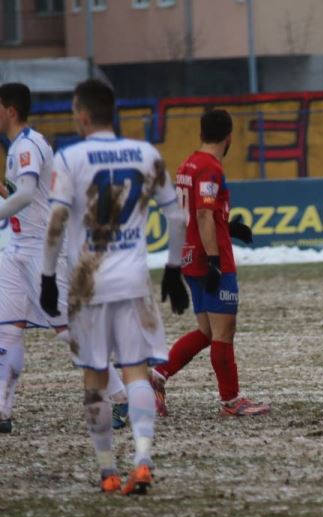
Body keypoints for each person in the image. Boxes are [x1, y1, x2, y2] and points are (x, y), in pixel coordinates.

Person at [41, 78, 190, 494]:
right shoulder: (146, 154)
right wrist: (173, 269)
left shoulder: (69, 157)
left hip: (88, 284)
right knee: (136, 370)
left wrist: (46, 276)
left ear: (82, 115)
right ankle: (142, 460)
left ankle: (107, 470)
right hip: (133, 280)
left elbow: (56, 221)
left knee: (95, 377)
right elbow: (176, 216)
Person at [0, 82, 128, 435]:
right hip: (16, 249)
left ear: (10, 110)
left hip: (42, 249)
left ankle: (120, 395)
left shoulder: (27, 145)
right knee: (7, 329)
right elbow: (22, 193)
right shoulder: (19, 146)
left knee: (68, 330)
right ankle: (2, 411)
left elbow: (27, 194)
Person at [149, 109, 270, 417]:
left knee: (206, 331)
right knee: (223, 332)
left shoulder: (188, 164)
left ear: (201, 133)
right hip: (209, 260)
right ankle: (231, 401)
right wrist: (215, 260)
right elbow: (203, 214)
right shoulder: (210, 168)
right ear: (229, 137)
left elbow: (197, 213)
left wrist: (227, 228)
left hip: (191, 256)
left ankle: (157, 375)